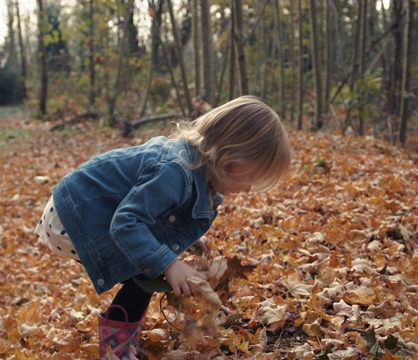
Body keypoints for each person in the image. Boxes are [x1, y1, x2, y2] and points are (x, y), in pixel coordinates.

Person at [34, 95, 292, 359]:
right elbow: (126, 223)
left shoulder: (198, 172)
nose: (249, 187)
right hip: (74, 215)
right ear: (230, 152)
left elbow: (160, 212)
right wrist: (169, 264)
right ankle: (115, 350)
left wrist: (185, 241)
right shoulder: (175, 171)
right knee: (148, 272)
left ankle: (120, 343)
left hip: (87, 210)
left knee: (147, 269)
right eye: (251, 177)